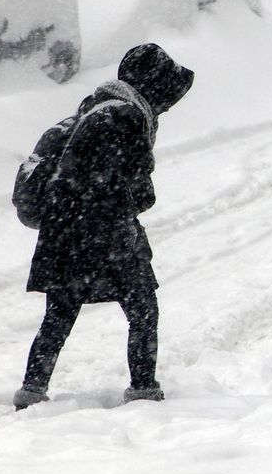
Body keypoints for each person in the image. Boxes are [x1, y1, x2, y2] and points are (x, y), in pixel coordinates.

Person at [14, 43, 195, 410]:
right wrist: (124, 200)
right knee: (143, 309)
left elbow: (70, 177)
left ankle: (31, 391)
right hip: (106, 235)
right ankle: (143, 390)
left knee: (59, 316)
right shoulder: (126, 118)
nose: (167, 106)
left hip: (64, 235)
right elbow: (137, 190)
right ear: (153, 86)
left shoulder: (91, 110)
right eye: (166, 95)